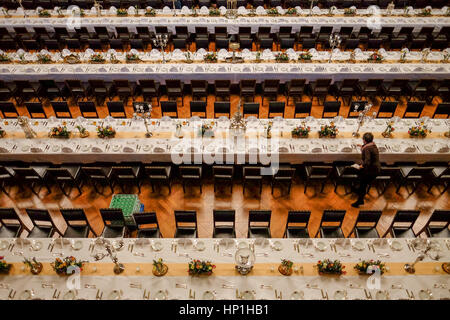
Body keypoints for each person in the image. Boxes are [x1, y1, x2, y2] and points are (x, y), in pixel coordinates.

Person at [351, 132, 381, 208]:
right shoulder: (372, 145)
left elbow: (367, 161)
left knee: (363, 185)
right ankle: (357, 190)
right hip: (376, 168)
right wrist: (361, 146)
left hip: (371, 170)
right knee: (361, 180)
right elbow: (368, 149)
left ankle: (360, 200)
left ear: (364, 140)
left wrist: (361, 166)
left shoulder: (367, 148)